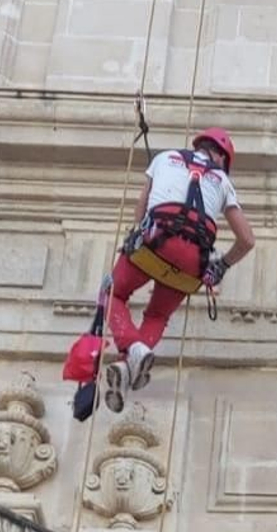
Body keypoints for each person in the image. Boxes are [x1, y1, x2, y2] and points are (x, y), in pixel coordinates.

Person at [105, 127, 254, 400]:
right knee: (158, 315)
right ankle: (127, 365)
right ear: (221, 157)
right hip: (192, 260)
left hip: (155, 240)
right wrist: (221, 267)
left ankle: (131, 345)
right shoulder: (222, 180)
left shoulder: (165, 158)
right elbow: (247, 239)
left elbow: (143, 205)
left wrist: (134, 237)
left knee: (112, 294)